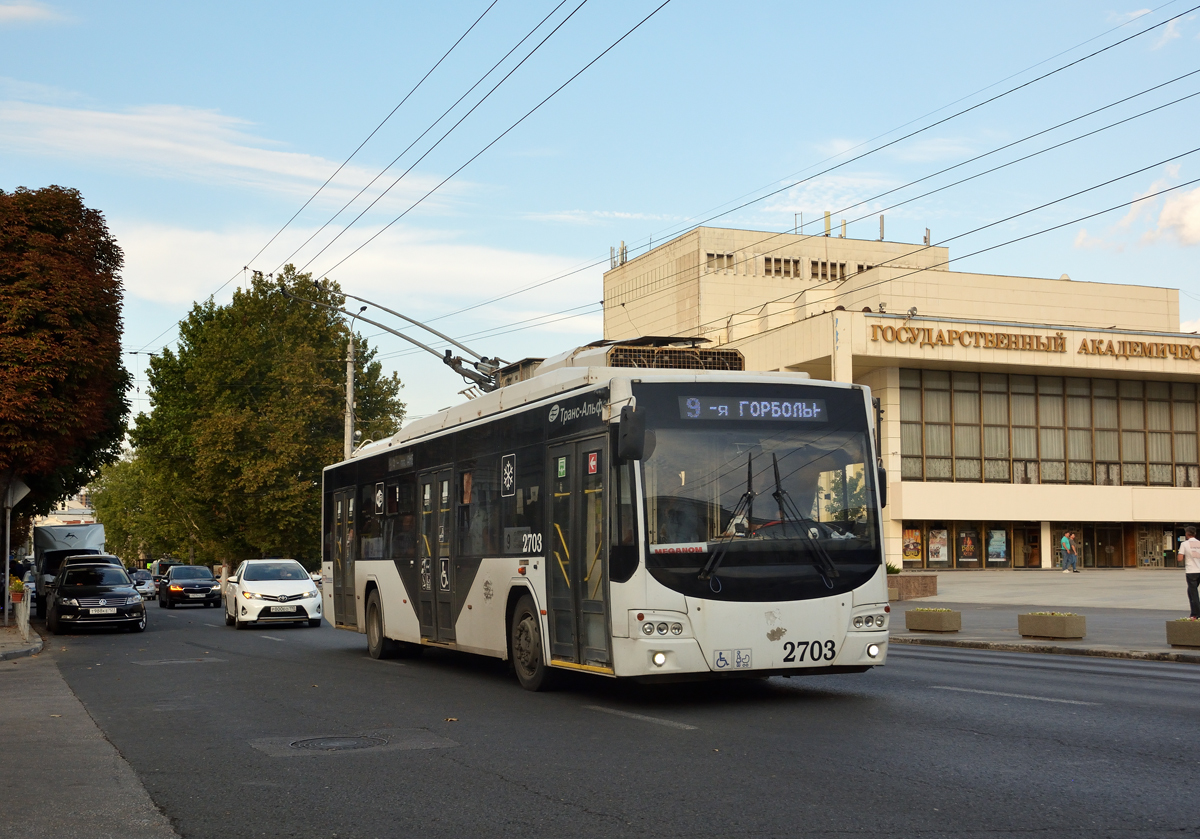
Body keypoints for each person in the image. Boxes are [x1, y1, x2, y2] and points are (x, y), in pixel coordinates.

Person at [1178, 525, 1200, 619]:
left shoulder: (1184, 544)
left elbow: (1180, 558)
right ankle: (1194, 612)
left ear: (1187, 534)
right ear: (1195, 534)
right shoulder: (1199, 543)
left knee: (1193, 593)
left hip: (1191, 571)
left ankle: (1196, 614)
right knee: (1190, 592)